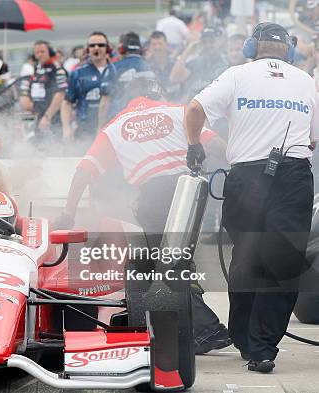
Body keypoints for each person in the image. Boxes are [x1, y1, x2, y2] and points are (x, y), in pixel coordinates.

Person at [59, 76, 231, 355]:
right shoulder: (179, 111)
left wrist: (69, 211)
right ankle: (170, 326)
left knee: (166, 266)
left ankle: (206, 329)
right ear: (157, 93)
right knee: (166, 262)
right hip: (190, 193)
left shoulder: (113, 127)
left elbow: (84, 172)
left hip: (155, 196)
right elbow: (216, 146)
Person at [185, 22, 318, 373]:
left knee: (246, 258)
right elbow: (314, 140)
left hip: (247, 178)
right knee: (284, 263)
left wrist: (194, 145)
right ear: (288, 49)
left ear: (250, 47)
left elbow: (194, 109)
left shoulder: (235, 74)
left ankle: (244, 338)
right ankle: (262, 347)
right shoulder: (305, 80)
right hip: (292, 177)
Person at [61, 32, 115, 152]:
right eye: (92, 45)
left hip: (113, 130)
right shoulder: (78, 73)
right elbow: (67, 103)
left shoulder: (116, 70)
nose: (96, 48)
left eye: (100, 45)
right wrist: (66, 128)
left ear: (107, 48)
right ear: (87, 49)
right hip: (85, 130)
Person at [19, 40, 68, 146]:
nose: (40, 55)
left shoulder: (57, 69)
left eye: (42, 51)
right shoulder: (37, 69)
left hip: (54, 118)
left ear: (49, 52)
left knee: (55, 150)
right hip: (39, 118)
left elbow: (60, 94)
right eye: (37, 52)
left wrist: (47, 116)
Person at [98, 32, 154, 124]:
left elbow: (105, 102)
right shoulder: (150, 67)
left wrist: (100, 127)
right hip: (146, 121)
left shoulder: (114, 68)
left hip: (120, 121)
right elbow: (159, 96)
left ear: (121, 49)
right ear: (140, 49)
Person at [170, 26, 229, 102]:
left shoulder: (226, 63)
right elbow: (174, 78)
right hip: (193, 108)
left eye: (211, 41)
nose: (208, 45)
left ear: (218, 43)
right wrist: (188, 50)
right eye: (204, 42)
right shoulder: (196, 62)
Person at [145, 31, 179, 100]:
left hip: (179, 106)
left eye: (160, 44)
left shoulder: (176, 65)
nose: (157, 47)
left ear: (166, 45)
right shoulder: (146, 68)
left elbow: (187, 88)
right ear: (150, 47)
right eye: (154, 44)